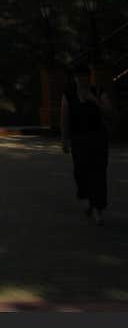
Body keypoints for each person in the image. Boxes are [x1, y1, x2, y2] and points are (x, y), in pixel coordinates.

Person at [60, 64, 112, 224]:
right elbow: (64, 118)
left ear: (89, 78)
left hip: (98, 137)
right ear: (74, 78)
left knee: (98, 172)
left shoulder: (98, 92)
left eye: (84, 77)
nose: (81, 80)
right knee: (81, 171)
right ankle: (90, 199)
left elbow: (109, 111)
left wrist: (94, 100)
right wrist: (64, 139)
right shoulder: (68, 95)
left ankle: (98, 208)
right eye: (78, 77)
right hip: (79, 139)